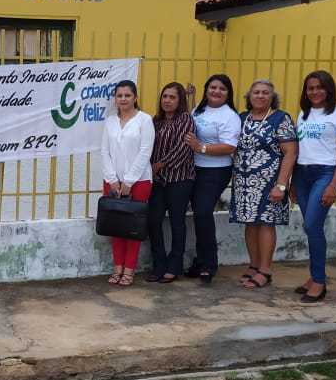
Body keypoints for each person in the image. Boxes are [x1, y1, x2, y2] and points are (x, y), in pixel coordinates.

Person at [230, 79, 298, 289]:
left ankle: (266, 270)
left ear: (272, 97)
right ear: (249, 97)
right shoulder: (242, 118)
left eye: (265, 93)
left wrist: (281, 185)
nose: (260, 96)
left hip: (269, 182)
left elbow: (291, 152)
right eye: (256, 92)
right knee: (250, 223)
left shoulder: (280, 118)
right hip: (244, 182)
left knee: (266, 223)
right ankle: (254, 265)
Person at [291, 70, 336, 304]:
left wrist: (334, 184)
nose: (314, 92)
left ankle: (319, 281)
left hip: (325, 173)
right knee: (312, 228)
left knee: (312, 225)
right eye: (310, 88)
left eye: (319, 87)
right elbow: (297, 151)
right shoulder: (302, 115)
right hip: (303, 174)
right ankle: (315, 276)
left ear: (328, 90)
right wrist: (294, 183)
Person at [183, 74, 241, 283]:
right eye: (213, 87)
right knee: (198, 215)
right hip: (193, 168)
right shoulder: (200, 107)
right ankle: (199, 262)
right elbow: (191, 122)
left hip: (215, 171)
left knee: (202, 213)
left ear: (229, 93)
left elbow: (229, 147)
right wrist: (192, 97)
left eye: (222, 89)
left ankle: (208, 264)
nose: (216, 92)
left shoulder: (229, 116)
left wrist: (201, 148)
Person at [100, 79, 155, 287]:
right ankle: (117, 268)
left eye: (127, 95)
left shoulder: (144, 120)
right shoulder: (109, 122)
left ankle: (129, 269)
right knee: (115, 226)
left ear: (135, 97)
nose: (123, 99)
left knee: (133, 227)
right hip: (113, 182)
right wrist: (113, 179)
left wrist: (129, 181)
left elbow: (145, 151)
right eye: (120, 95)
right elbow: (104, 151)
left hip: (139, 181)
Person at [146, 83, 196, 283]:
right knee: (153, 220)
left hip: (179, 179)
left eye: (172, 97)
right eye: (164, 96)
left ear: (180, 100)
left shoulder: (185, 119)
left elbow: (183, 148)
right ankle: (158, 264)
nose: (167, 100)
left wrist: (160, 165)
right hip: (157, 181)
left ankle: (174, 265)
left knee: (177, 222)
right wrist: (151, 168)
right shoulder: (155, 121)